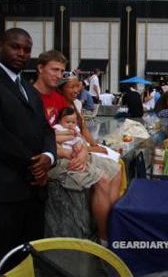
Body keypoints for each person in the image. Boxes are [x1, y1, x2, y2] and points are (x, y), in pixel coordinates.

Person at [0, 28, 56, 276]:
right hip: (2, 188)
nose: (22, 54)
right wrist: (34, 164)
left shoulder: (29, 89)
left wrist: (48, 157)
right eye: (15, 47)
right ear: (0, 46)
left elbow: (46, 129)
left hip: (33, 191)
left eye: (27, 49)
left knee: (26, 256)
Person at [34, 51, 121, 245]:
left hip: (72, 150)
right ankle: (105, 238)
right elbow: (38, 138)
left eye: (62, 71)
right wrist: (68, 150)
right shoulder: (32, 98)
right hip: (53, 158)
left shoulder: (57, 99)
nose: (58, 75)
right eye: (54, 70)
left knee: (115, 170)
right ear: (40, 68)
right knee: (103, 179)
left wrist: (83, 149)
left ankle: (113, 223)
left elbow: (75, 130)